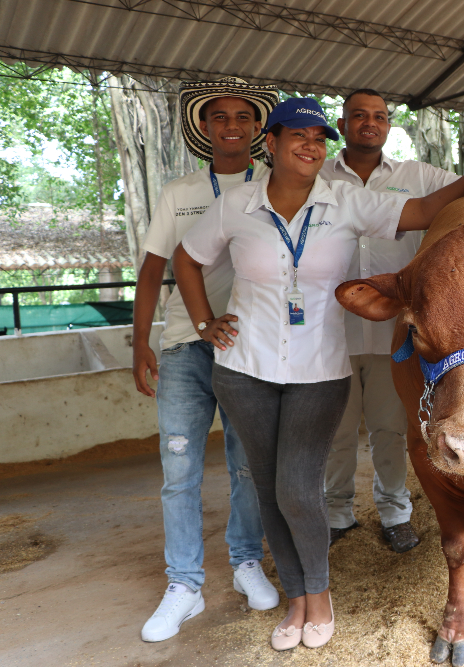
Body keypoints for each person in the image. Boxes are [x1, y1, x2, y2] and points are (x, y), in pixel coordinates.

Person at [173, 97, 464, 651]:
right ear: (273, 142)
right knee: (267, 488)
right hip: (244, 368)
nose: (311, 144)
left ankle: (319, 596)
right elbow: (185, 259)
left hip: (317, 369)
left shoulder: (346, 202)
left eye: (318, 137)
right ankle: (296, 602)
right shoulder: (235, 205)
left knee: (296, 488)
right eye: (298, 135)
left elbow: (421, 211)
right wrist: (204, 322)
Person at [131, 77, 280, 642]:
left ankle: (246, 564)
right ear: (205, 128)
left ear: (257, 128)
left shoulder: (275, 184)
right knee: (179, 469)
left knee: (247, 465)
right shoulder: (180, 191)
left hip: (250, 346)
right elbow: (152, 270)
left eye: (243, 117)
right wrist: (139, 341)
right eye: (220, 118)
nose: (232, 126)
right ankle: (184, 586)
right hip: (182, 347)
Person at [317, 89, 460, 553]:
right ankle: (337, 513)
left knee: (389, 429)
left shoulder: (418, 176)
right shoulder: (314, 176)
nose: (369, 123)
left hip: (391, 330)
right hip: (327, 331)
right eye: (358, 115)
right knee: (335, 431)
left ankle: (395, 513)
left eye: (379, 116)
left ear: (389, 127)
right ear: (341, 126)